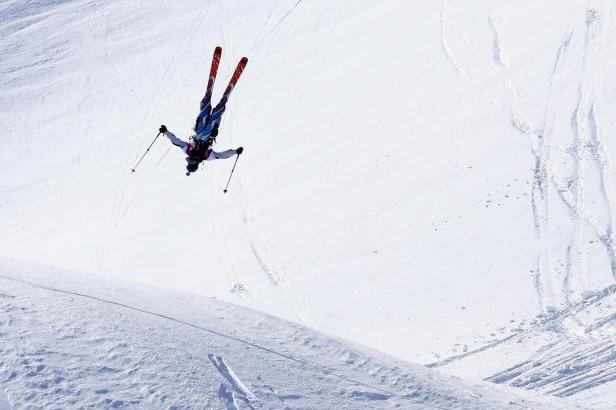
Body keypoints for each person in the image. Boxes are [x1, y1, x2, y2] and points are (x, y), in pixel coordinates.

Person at [159, 124, 243, 175]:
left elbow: (176, 141)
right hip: (207, 137)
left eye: (190, 163)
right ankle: (212, 131)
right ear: (196, 165)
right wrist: (235, 152)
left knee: (201, 129)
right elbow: (222, 156)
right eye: (193, 163)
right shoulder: (205, 156)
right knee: (208, 134)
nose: (192, 161)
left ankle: (205, 120)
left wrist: (165, 132)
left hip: (199, 134)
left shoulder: (188, 151)